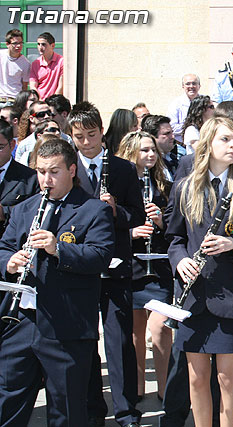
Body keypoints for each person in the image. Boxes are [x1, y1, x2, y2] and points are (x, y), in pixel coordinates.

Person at [0, 138, 114, 426]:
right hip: (21, 322)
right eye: (40, 171)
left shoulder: (93, 210)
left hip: (67, 326)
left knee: (66, 408)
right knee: (8, 399)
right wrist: (9, 263)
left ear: (72, 170)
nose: (45, 180)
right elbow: (3, 248)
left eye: (53, 172)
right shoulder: (24, 209)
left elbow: (100, 256)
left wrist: (58, 248)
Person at [166, 117, 233, 427]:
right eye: (225, 140)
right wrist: (180, 260)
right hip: (194, 297)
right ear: (208, 144)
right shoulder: (186, 187)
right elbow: (174, 239)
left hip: (230, 298)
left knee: (227, 380)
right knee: (197, 379)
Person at [68, 102, 146, 427]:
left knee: (119, 340)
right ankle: (93, 409)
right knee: (86, 340)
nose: (86, 142)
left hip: (116, 266)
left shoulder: (123, 169)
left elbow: (138, 215)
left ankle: (126, 411)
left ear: (102, 132)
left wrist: (115, 211)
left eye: (91, 134)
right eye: (79, 137)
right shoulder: (67, 169)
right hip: (82, 267)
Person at [116, 131, 173, 404]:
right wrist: (131, 233)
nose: (150, 155)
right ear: (130, 153)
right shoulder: (120, 184)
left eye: (152, 150)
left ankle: (165, 388)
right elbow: (107, 226)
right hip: (132, 264)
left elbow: (177, 228)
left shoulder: (164, 183)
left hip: (159, 265)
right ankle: (138, 387)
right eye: (143, 151)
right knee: (135, 330)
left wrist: (161, 221)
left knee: (160, 327)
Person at [0, 117, 39, 237]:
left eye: (0, 147)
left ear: (12, 145)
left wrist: (3, 212)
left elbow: (34, 214)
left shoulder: (30, 178)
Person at [142, 114, 185, 181]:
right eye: (167, 133)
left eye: (172, 132)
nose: (173, 137)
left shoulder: (174, 158)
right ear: (152, 137)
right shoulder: (149, 163)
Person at [29, 32, 63, 100]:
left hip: (54, 102)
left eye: (43, 44)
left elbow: (61, 86)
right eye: (38, 44)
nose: (40, 47)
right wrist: (39, 100)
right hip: (39, 101)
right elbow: (33, 86)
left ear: (52, 45)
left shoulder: (61, 62)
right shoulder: (35, 63)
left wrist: (52, 102)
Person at [168, 74, 201, 143]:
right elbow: (171, 127)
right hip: (182, 146)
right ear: (183, 86)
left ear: (199, 86)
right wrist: (191, 125)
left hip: (202, 143)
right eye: (188, 84)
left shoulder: (206, 102)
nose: (191, 86)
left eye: (194, 83)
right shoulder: (175, 104)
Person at [0, 29, 30, 107]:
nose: (19, 46)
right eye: (15, 43)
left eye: (20, 43)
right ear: (7, 44)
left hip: (14, 101)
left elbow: (24, 87)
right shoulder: (1, 55)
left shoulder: (25, 63)